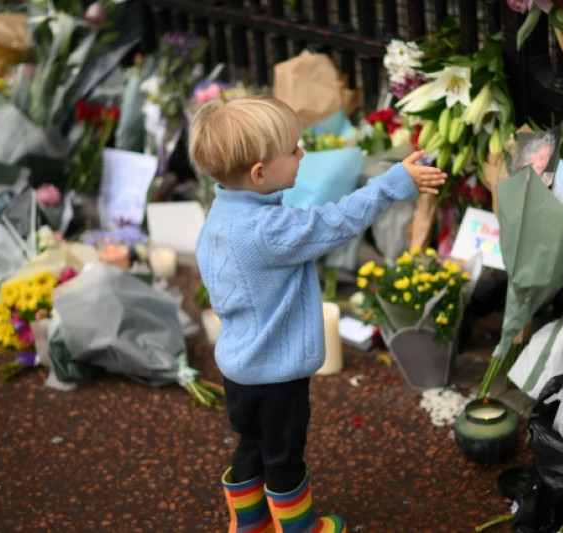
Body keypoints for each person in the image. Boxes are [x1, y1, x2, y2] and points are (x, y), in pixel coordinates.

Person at [188, 96, 445, 533]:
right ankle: (300, 528)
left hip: (238, 369)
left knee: (252, 445)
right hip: (276, 377)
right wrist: (393, 183)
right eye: (292, 150)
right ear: (259, 173)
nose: (301, 155)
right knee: (285, 456)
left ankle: (249, 524)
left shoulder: (220, 219)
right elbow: (337, 222)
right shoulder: (268, 231)